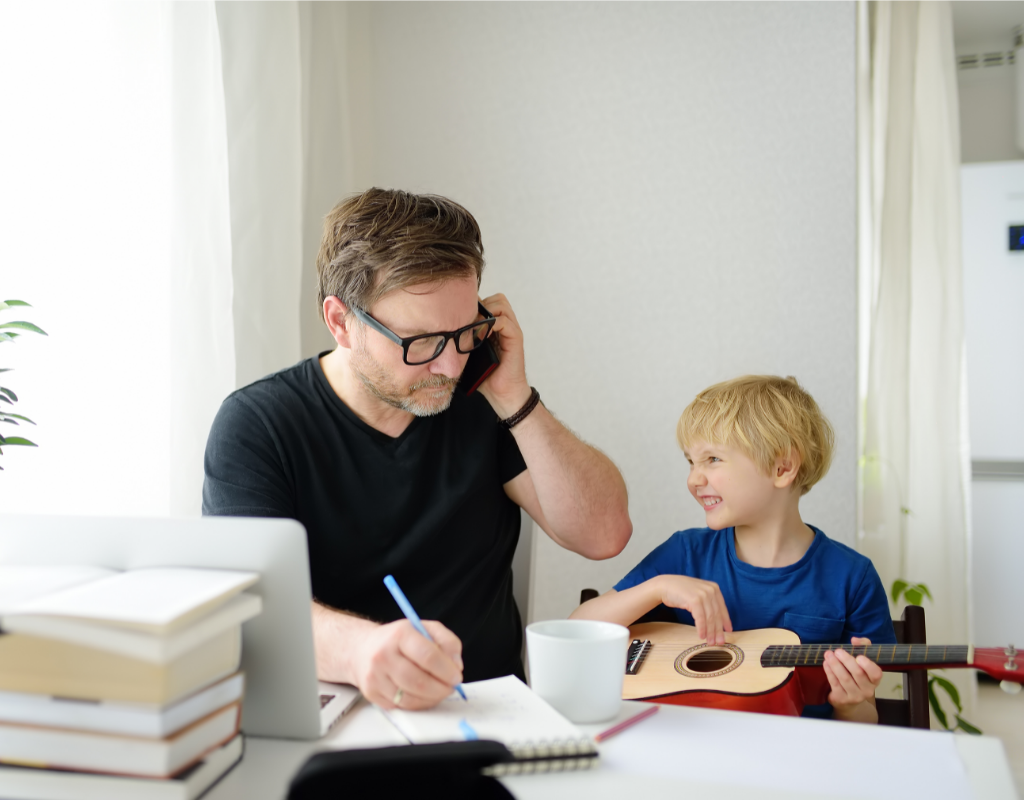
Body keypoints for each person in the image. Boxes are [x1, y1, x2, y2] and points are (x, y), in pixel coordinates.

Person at [203, 188, 632, 711]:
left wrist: (516, 396)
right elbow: (254, 605)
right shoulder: (259, 424)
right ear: (341, 321)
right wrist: (363, 649)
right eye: (421, 342)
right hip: (339, 717)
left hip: (487, 714)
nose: (450, 367)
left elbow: (604, 534)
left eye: (466, 332)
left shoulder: (482, 401)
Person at [571, 375, 895, 722]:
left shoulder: (852, 578)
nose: (694, 479)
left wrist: (850, 703)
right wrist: (658, 588)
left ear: (782, 467)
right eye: (691, 462)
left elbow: (865, 719)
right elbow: (577, 630)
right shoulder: (684, 553)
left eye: (712, 459)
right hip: (687, 745)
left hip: (792, 760)